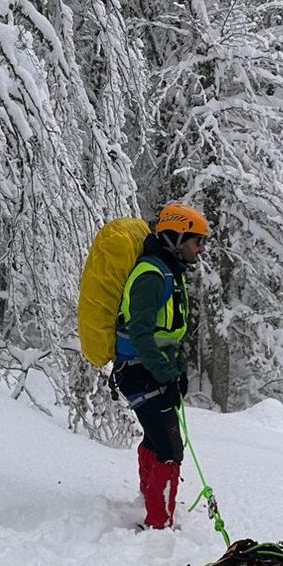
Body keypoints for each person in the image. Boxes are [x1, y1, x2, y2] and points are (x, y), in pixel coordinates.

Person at [113, 201, 209, 529]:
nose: (201, 249)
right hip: (140, 372)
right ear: (177, 237)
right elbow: (140, 333)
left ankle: (150, 500)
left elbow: (169, 333)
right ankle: (159, 525)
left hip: (150, 370)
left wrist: (177, 372)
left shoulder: (167, 271)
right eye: (198, 241)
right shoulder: (151, 276)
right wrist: (165, 375)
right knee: (170, 447)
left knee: (157, 438)